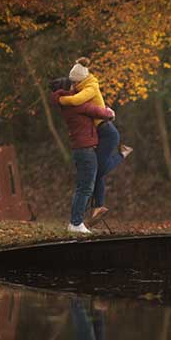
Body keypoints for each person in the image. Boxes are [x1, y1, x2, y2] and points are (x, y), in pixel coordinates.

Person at [55, 59, 132, 224]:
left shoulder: (90, 87)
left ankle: (121, 154)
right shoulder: (81, 88)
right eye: (72, 82)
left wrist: (60, 99)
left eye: (75, 81)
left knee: (99, 170)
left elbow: (77, 102)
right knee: (95, 171)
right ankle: (98, 207)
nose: (73, 84)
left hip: (107, 132)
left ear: (81, 79)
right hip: (100, 132)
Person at [52, 71, 114, 234]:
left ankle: (76, 222)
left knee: (83, 186)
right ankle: (75, 222)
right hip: (85, 150)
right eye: (73, 85)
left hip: (81, 149)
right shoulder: (76, 104)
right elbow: (98, 111)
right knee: (85, 188)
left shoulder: (66, 104)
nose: (75, 87)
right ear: (68, 88)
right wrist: (109, 112)